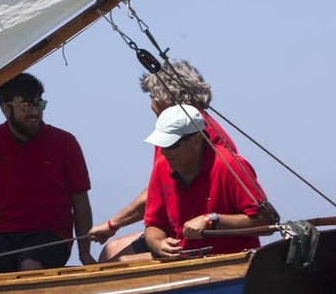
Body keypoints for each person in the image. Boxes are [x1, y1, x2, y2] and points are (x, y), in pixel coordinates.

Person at [0, 73, 95, 274]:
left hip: (49, 234)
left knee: (29, 267)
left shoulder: (65, 143)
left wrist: (84, 252)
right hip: (0, 234)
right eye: (25, 106)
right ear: (6, 109)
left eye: (39, 104)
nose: (34, 113)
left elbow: (80, 200)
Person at [89, 60, 237, 260]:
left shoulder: (180, 135)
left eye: (151, 96)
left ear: (164, 98)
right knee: (111, 249)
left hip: (193, 233)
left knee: (113, 261)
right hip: (184, 225)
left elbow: (154, 193)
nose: (151, 105)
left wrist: (111, 225)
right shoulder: (205, 125)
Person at [141, 104, 268, 258]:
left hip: (233, 265)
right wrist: (158, 244)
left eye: (171, 145)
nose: (163, 151)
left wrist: (212, 220)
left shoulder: (230, 165)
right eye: (161, 144)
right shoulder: (162, 166)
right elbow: (154, 224)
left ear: (197, 140)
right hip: (183, 265)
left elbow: (266, 223)